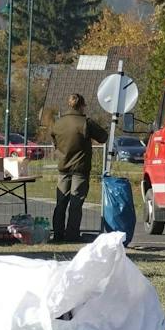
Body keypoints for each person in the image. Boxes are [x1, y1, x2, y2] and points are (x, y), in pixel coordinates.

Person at [49, 93, 107, 243]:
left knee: (61, 203)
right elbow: (103, 137)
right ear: (82, 106)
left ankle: (57, 234)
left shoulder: (58, 123)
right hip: (80, 169)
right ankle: (72, 235)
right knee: (76, 204)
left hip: (63, 168)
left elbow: (55, 141)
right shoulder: (85, 123)